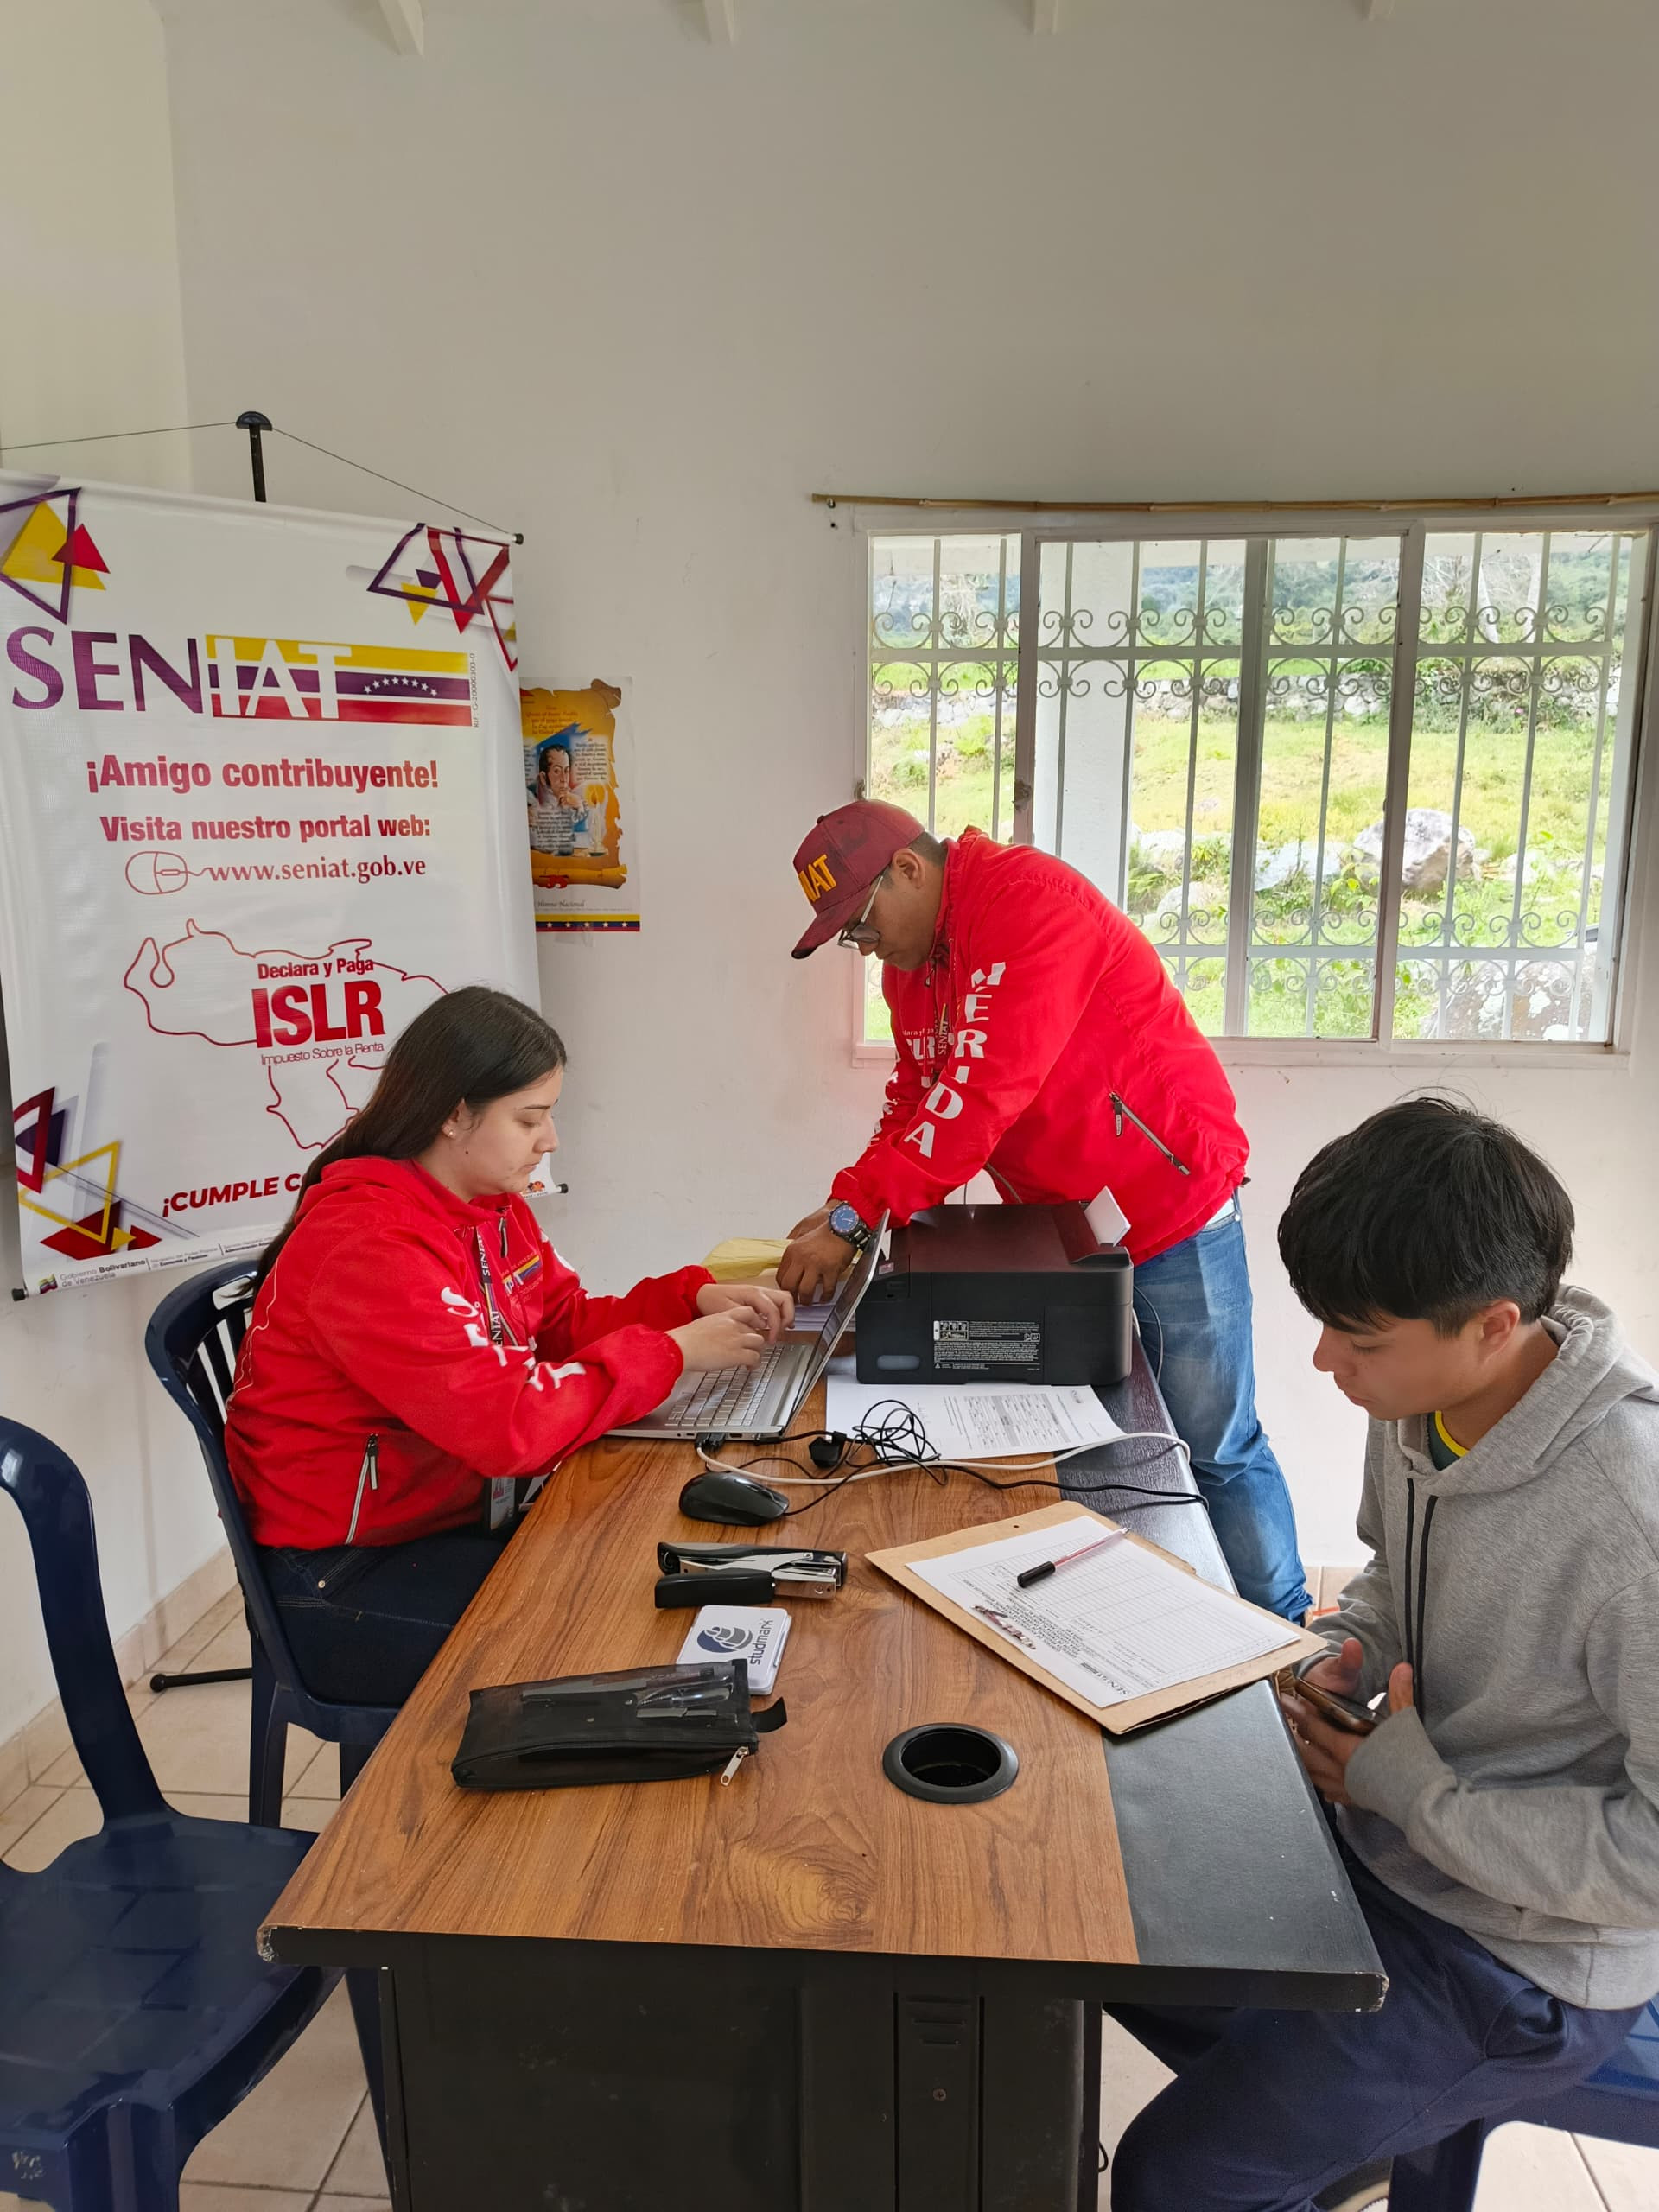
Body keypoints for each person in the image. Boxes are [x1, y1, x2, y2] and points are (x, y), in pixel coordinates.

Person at [1107, 1098, 1659, 2212]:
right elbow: (1392, 1579)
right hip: (1395, 1841)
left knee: (1178, 2180)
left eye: (1357, 1341)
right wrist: (1345, 1648)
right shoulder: (1425, 1399)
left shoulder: (1630, 1528)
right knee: (1102, 1919)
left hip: (1522, 1958)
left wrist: (1410, 1790)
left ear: (1495, 1323)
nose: (1324, 1363)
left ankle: (1302, 2140)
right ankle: (1320, 2136)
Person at [779, 799, 1308, 1621]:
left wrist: (855, 1217)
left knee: (1214, 1450)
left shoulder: (1031, 906)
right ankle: (1160, 1629)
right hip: (1068, 1230)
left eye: (861, 919)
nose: (865, 943)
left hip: (1170, 1208)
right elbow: (917, 1095)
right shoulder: (913, 966)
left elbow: (975, 1101)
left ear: (910, 870)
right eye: (849, 933)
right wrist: (845, 1204)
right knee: (1111, 1456)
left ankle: (1285, 1640)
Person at [226, 985, 790, 1708]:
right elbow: (509, 1426)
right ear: (453, 1115)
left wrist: (689, 1298)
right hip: (340, 1578)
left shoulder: (490, 1208)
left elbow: (561, 1321)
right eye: (530, 1118)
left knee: (645, 1578)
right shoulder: (366, 1245)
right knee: (626, 1647)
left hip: (447, 1520)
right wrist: (675, 1353)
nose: (549, 1139)